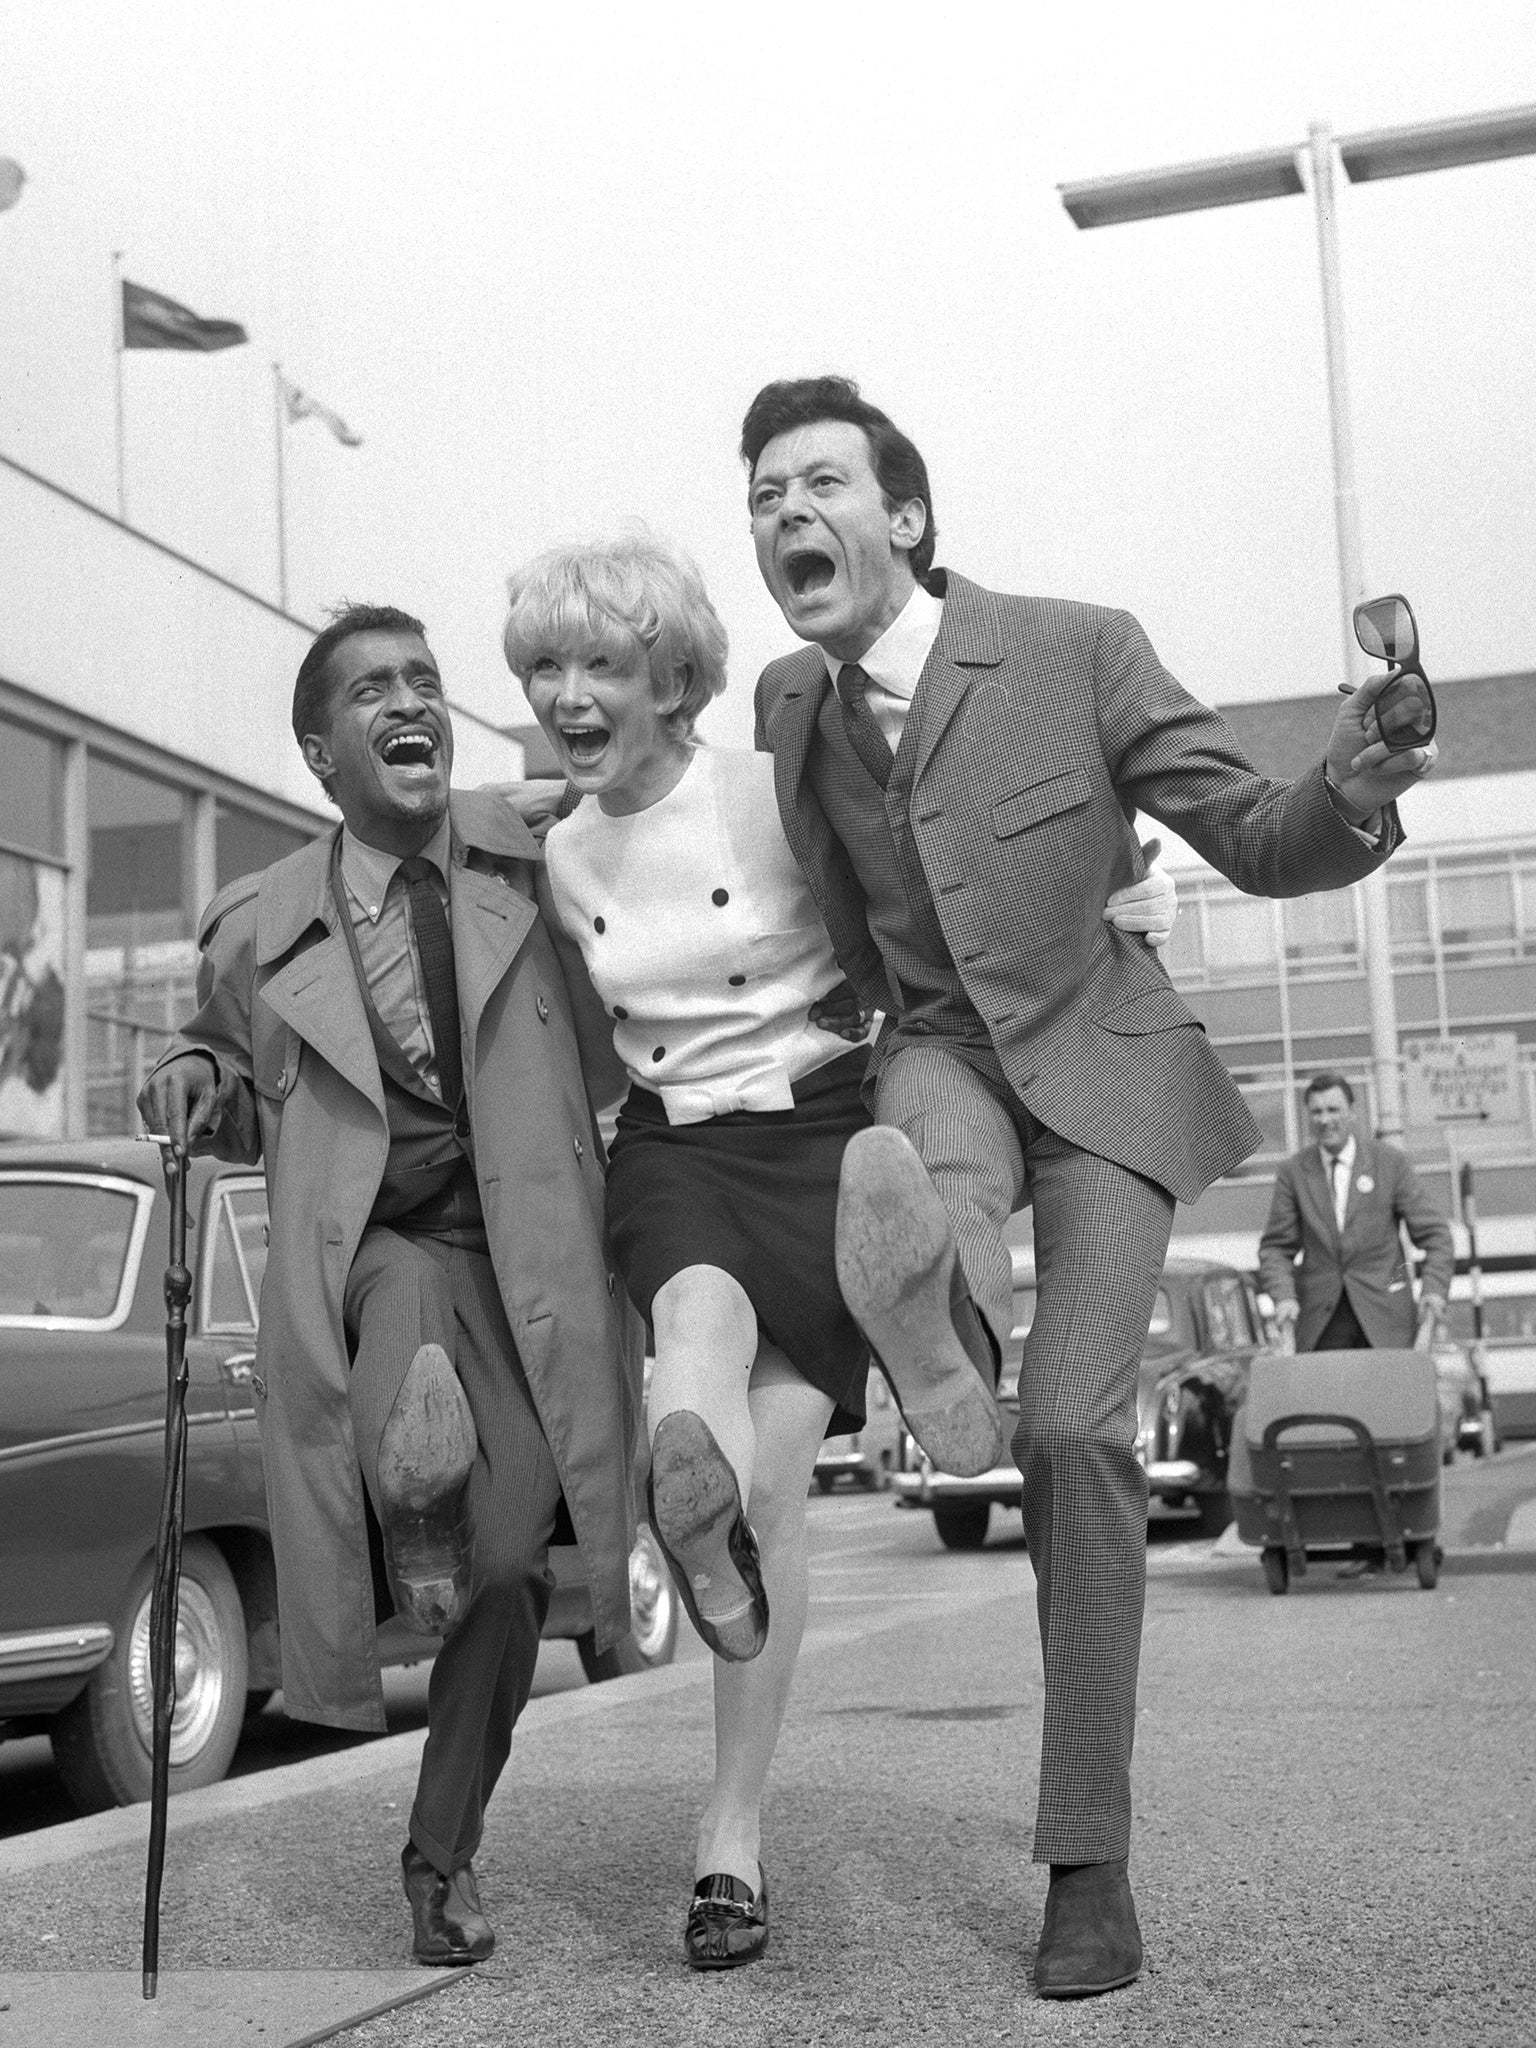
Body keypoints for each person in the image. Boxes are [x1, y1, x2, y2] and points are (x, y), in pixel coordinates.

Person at [739, 375, 1438, 1998]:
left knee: (1078, 1434)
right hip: (932, 1052)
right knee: (916, 1172)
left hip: (1104, 1069)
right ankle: (941, 1348)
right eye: (763, 490)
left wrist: (1357, 772)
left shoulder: (1078, 648)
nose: (784, 511)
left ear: (902, 516)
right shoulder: (787, 704)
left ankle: (1086, 1851)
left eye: (816, 479)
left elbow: (1261, 836)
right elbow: (733, 863)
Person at [499, 532, 1179, 1971]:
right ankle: (699, 1524)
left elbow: (921, 874)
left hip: (826, 1146)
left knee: (777, 1488)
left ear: (670, 673)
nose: (567, 693)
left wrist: (1101, 891)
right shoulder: (556, 850)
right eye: (542, 667)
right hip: (678, 1148)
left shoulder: (773, 784)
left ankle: (728, 1827)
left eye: (598, 665)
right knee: (691, 1321)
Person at [137, 605, 642, 1968]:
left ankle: (441, 1851)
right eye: (372, 689)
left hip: (526, 1253)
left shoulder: (538, 861)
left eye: (424, 680)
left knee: (510, 1560)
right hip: (374, 1243)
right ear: (320, 750)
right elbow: (227, 1073)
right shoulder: (259, 928)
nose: (409, 700)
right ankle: (410, 1484)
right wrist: (196, 1081)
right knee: (404, 1332)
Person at [1258, 1071, 1453, 1351]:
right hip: (1321, 1325)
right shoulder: (1293, 1173)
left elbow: (1436, 1236)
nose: (1325, 1120)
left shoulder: (1389, 1163)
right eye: (1316, 1112)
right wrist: (1284, 1297)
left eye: (1333, 1110)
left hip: (1386, 1321)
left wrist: (1433, 1292)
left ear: (1351, 1112)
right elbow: (1276, 1248)